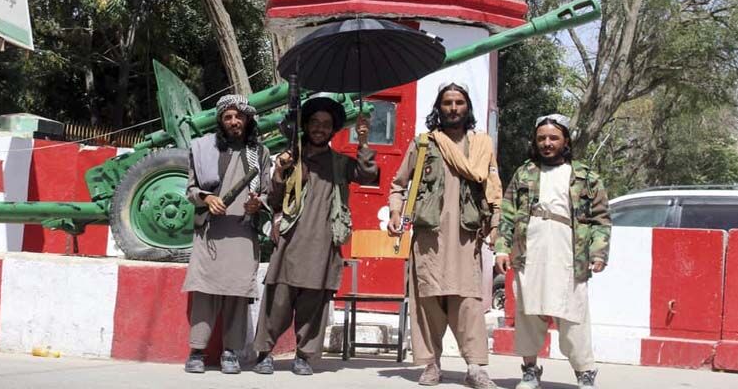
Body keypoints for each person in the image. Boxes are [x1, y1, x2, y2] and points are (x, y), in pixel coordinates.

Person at [252, 95, 378, 375]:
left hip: (324, 244)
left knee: (314, 302)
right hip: (290, 242)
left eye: (326, 124)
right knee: (278, 300)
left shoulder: (340, 163)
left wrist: (364, 141)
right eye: (314, 123)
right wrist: (280, 172)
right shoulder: (291, 157)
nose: (319, 129)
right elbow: (274, 200)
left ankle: (304, 355)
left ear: (333, 130)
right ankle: (264, 352)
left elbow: (367, 175)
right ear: (306, 126)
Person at [387, 82, 502, 388]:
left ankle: (476, 367)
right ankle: (430, 364)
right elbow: (398, 185)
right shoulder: (424, 143)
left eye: (459, 102)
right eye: (448, 102)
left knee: (469, 302)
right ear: (439, 108)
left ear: (468, 108)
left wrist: (496, 226)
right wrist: (395, 212)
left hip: (466, 237)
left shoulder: (481, 145)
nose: (453, 108)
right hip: (429, 238)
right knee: (427, 301)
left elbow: (493, 189)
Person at [494, 114, 611, 389]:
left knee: (573, 313)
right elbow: (508, 213)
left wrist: (599, 253)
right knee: (528, 312)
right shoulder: (524, 172)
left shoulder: (585, 176)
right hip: (530, 250)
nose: (547, 143)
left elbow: (601, 218)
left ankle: (585, 372)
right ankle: (530, 370)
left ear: (565, 140)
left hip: (569, 252)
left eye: (553, 138)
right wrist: (502, 248)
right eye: (542, 138)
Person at [182, 94, 271, 374]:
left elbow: (268, 191)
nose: (234, 121)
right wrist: (208, 198)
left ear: (247, 120)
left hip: (243, 232)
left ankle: (230, 352)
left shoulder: (261, 153)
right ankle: (197, 352)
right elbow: (191, 189)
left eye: (239, 116)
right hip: (211, 231)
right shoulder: (203, 149)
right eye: (228, 117)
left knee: (237, 295)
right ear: (221, 121)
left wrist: (259, 203)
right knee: (205, 293)